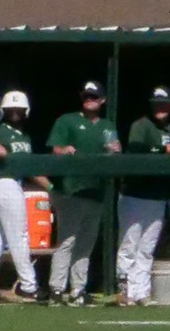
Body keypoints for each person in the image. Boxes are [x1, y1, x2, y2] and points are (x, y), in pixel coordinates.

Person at [45, 81, 121, 306]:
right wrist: (64, 149)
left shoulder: (107, 125)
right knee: (67, 241)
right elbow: (55, 149)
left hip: (95, 191)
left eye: (94, 96)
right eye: (86, 96)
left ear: (103, 100)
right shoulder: (68, 120)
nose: (90, 99)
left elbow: (114, 150)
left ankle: (78, 290)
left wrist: (115, 150)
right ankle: (56, 290)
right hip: (70, 191)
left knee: (86, 244)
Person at [0, 92, 46, 304]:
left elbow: (29, 167)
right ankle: (29, 286)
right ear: (3, 111)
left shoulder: (25, 136)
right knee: (19, 236)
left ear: (26, 112)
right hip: (2, 183)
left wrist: (50, 186)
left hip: (13, 184)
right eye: (11, 110)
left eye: (19, 110)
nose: (15, 113)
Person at [116, 85, 170, 307]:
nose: (160, 108)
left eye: (164, 104)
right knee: (129, 243)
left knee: (147, 246)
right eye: (156, 104)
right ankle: (123, 291)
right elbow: (135, 149)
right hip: (135, 194)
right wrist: (164, 150)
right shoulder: (141, 125)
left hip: (159, 195)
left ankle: (141, 292)